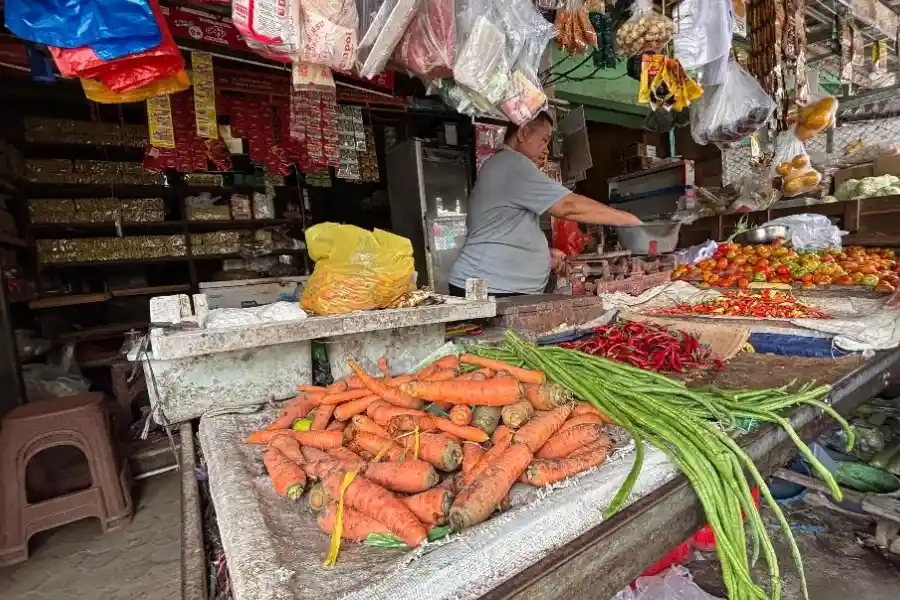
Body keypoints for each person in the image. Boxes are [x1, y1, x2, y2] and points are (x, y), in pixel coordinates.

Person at [449, 112, 642, 297]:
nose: (547, 149)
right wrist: (630, 221)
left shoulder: (501, 164)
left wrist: (542, 256)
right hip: (491, 288)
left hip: (491, 284)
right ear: (523, 133)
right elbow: (568, 206)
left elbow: (501, 228)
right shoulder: (514, 164)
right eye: (544, 139)